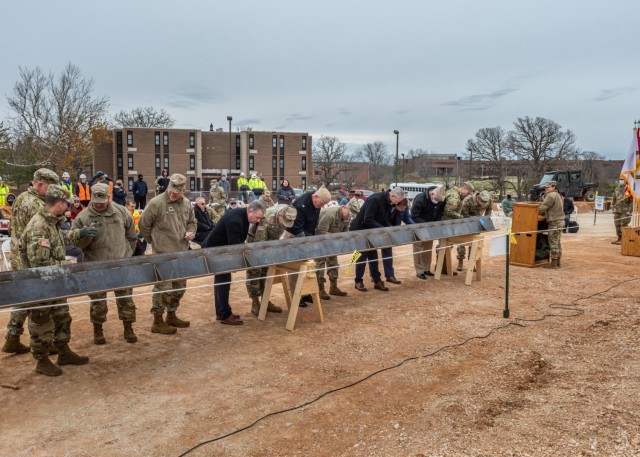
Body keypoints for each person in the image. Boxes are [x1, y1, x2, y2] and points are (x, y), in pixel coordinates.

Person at [19, 184, 94, 376]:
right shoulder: (39, 227)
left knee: (62, 317)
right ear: (59, 203)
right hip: (41, 286)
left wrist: (80, 233)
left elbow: (61, 238)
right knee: (42, 322)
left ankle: (63, 352)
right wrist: (66, 267)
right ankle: (42, 361)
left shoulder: (51, 222)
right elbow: (41, 264)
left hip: (55, 284)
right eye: (66, 204)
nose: (68, 207)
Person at [3, 168, 60, 354]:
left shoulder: (20, 198)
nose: (52, 192)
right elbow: (45, 230)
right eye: (50, 187)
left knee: (24, 298)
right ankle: (43, 343)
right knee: (38, 302)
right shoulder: (37, 204)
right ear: (40, 184)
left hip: (18, 255)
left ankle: (12, 336)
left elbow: (14, 228)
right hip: (32, 258)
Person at [73, 183, 139, 344]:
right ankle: (98, 331)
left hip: (120, 265)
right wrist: (86, 236)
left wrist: (126, 255)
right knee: (98, 302)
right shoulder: (83, 217)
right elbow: (76, 245)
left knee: (126, 299)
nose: (99, 204)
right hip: (96, 266)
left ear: (109, 197)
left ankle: (128, 328)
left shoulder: (121, 212)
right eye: (96, 201)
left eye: (102, 201)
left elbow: (132, 236)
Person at [138, 174, 196, 334]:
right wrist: (154, 241)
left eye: (176, 193)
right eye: (171, 191)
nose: (172, 195)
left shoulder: (186, 204)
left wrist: (191, 231)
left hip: (181, 253)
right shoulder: (156, 203)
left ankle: (171, 315)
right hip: (162, 254)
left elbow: (192, 221)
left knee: (179, 287)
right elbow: (143, 224)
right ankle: (157, 321)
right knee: (162, 288)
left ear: (183, 191)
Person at [202, 200, 267, 325]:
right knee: (223, 281)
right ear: (250, 211)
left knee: (222, 280)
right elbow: (235, 247)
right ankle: (224, 315)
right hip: (215, 251)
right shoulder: (236, 220)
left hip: (220, 250)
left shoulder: (242, 215)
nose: (258, 221)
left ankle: (222, 312)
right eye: (257, 217)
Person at [349, 187, 406, 292]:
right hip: (360, 229)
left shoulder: (389, 202)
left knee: (373, 256)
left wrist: (390, 229)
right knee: (362, 256)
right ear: (393, 196)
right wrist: (383, 229)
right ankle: (358, 281)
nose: (396, 203)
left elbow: (383, 218)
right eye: (397, 201)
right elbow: (368, 219)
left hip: (372, 230)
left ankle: (377, 281)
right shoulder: (375, 199)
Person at [245, 204, 297, 315]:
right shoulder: (266, 220)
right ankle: (255, 303)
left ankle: (265, 301)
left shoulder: (287, 213)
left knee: (266, 273)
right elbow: (259, 244)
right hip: (255, 245)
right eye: (284, 221)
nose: (285, 225)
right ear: (279, 215)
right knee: (255, 273)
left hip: (268, 245)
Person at [315, 199, 361, 298]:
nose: (350, 217)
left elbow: (345, 231)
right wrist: (335, 238)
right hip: (320, 241)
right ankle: (320, 289)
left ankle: (333, 287)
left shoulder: (347, 216)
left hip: (332, 242)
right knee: (320, 264)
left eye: (352, 215)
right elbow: (320, 231)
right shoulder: (330, 214)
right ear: (344, 207)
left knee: (333, 264)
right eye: (350, 214)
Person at [411, 185, 445, 280]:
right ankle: (419, 271)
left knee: (428, 247)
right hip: (418, 225)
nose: (437, 203)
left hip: (430, 227)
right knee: (418, 247)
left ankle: (426, 269)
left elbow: (439, 213)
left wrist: (435, 224)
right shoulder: (420, 199)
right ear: (432, 194)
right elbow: (414, 216)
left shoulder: (440, 199)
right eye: (436, 200)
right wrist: (425, 224)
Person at [457, 190, 493, 271]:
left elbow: (489, 211)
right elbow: (464, 214)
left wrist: (485, 221)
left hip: (478, 223)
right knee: (462, 243)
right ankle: (460, 261)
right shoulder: (467, 200)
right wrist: (474, 219)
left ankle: (471, 263)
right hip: (465, 222)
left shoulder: (489, 200)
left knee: (474, 243)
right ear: (477, 198)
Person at [381, 198, 415, 284]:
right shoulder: (387, 205)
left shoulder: (404, 206)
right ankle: (375, 276)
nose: (404, 209)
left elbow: (407, 218)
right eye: (402, 208)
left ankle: (389, 275)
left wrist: (414, 227)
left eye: (405, 208)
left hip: (391, 231)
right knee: (371, 254)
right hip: (379, 228)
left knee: (388, 252)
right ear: (396, 204)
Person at [537, 181, 564, 269]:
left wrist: (534, 212)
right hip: (560, 221)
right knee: (557, 242)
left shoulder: (551, 195)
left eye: (547, 187)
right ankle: (558, 263)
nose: (546, 189)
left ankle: (553, 264)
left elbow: (542, 208)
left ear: (553, 187)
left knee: (553, 243)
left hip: (554, 222)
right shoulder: (559, 195)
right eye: (545, 187)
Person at [611, 180, 632, 245]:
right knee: (617, 224)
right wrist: (613, 208)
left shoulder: (629, 189)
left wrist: (630, 211)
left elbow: (632, 202)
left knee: (624, 225)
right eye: (620, 180)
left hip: (625, 211)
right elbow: (614, 199)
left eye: (622, 180)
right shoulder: (617, 189)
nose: (621, 181)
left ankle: (624, 239)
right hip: (617, 210)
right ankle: (619, 238)